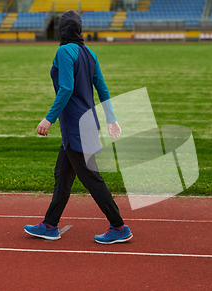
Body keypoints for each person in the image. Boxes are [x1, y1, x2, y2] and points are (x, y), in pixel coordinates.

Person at [24, 10, 132, 244]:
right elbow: (102, 88)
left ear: (62, 30)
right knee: (62, 175)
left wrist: (48, 118)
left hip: (76, 128)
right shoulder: (90, 53)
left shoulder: (64, 51)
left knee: (92, 178)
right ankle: (50, 225)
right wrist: (111, 119)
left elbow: (66, 88)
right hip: (83, 126)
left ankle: (119, 226)